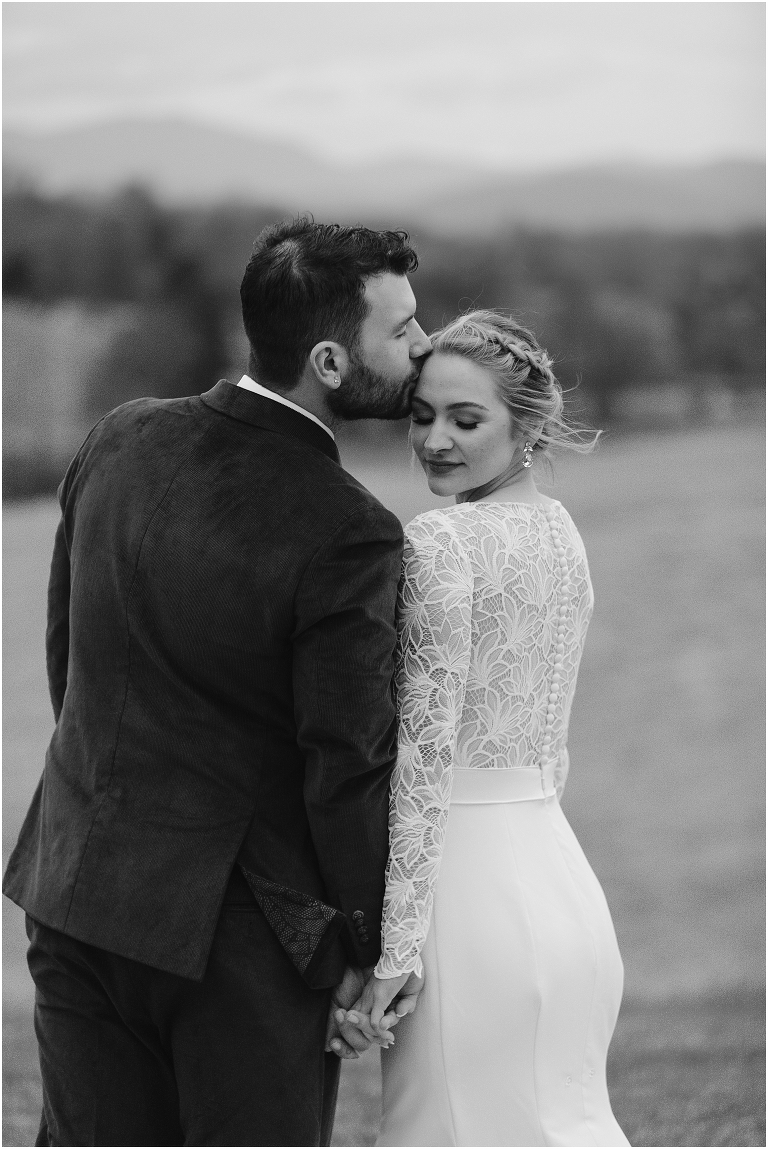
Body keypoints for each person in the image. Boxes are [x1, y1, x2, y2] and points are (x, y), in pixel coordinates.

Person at [2, 217, 432, 1147]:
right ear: (327, 358)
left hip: (76, 892)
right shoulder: (350, 530)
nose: (423, 347)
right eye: (401, 331)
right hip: (240, 945)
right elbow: (345, 761)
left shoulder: (120, 437)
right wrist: (361, 943)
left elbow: (68, 661)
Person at [343, 310, 630, 1146]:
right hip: (563, 889)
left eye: (466, 420)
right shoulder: (562, 533)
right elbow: (552, 744)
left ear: (528, 426)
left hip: (467, 913)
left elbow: (424, 760)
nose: (435, 439)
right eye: (422, 416)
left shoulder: (440, 541)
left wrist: (393, 952)